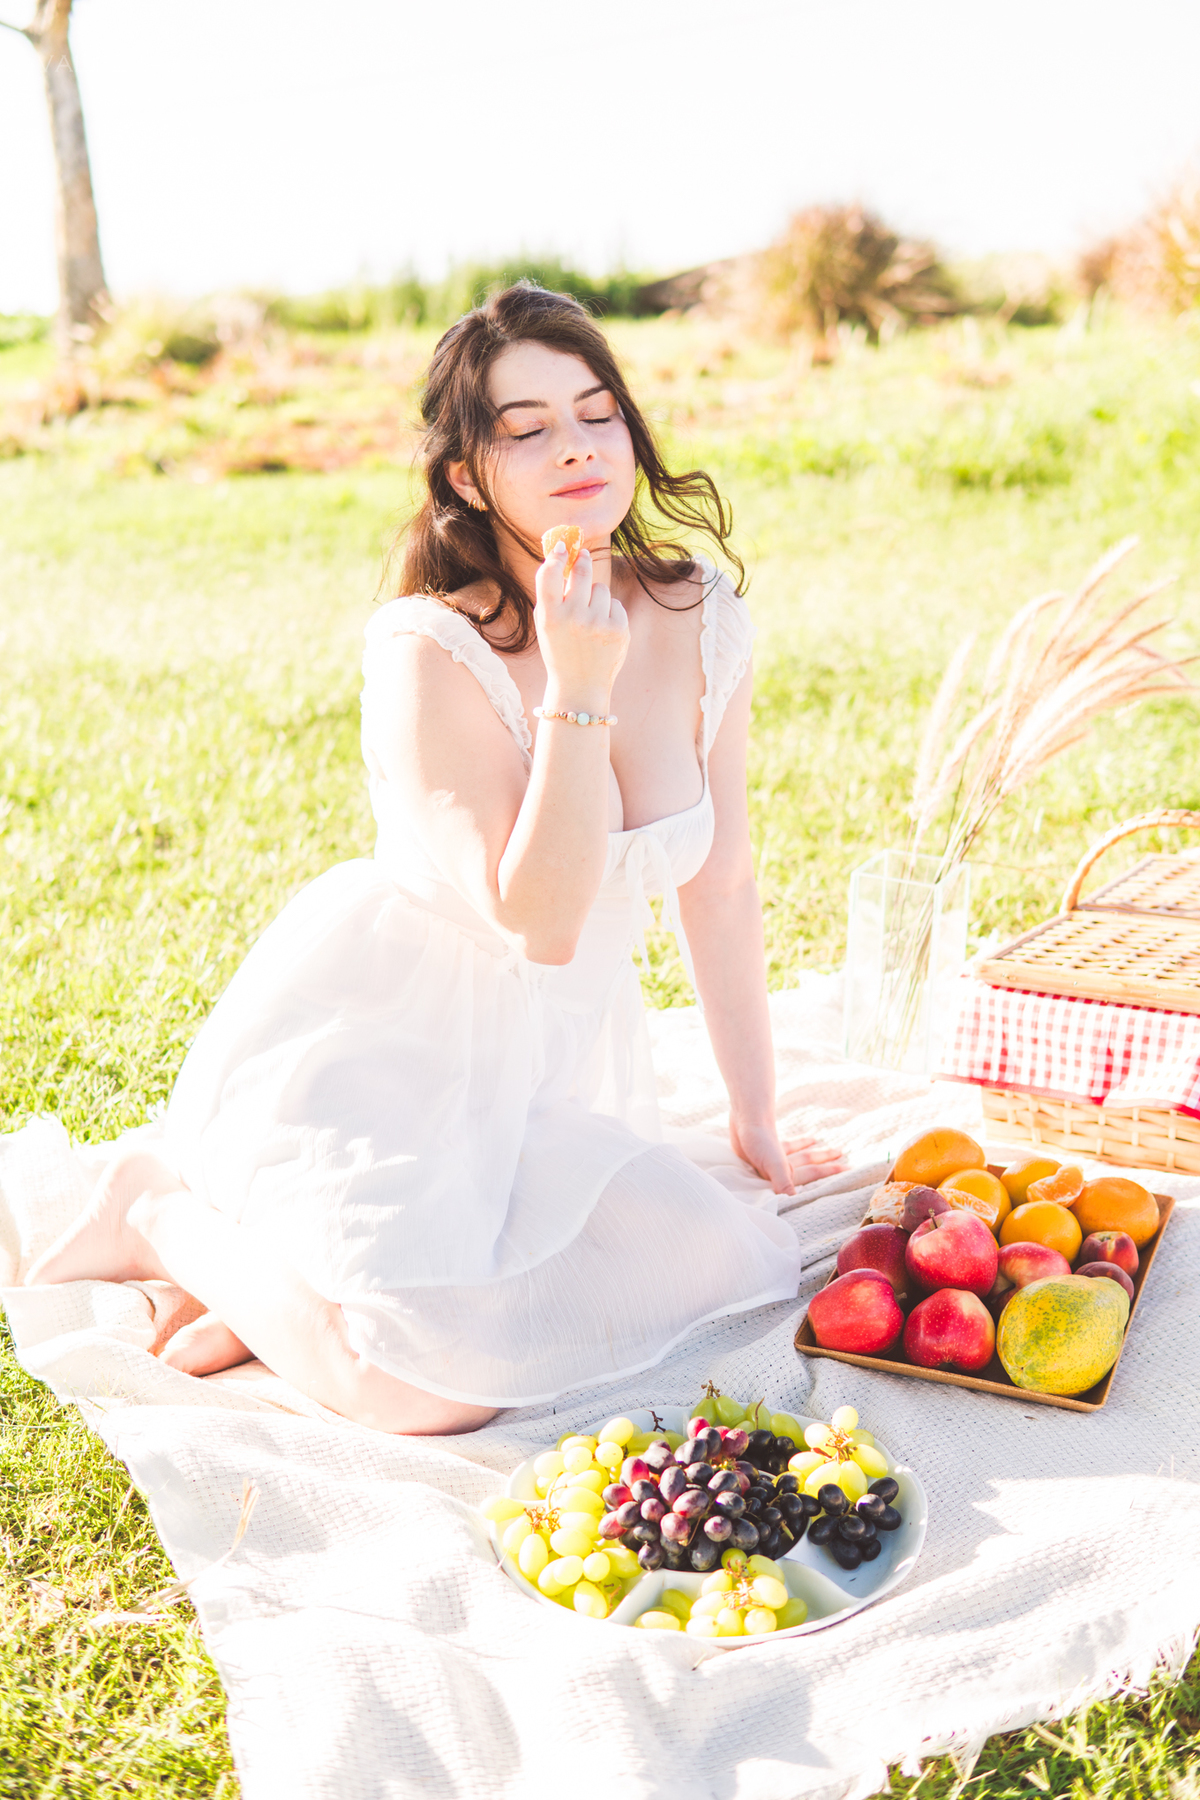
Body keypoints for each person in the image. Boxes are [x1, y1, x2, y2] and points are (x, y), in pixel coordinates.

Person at [27, 284, 842, 1433]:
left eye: (597, 413)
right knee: (419, 1385)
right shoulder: (427, 650)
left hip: (555, 1061)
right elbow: (541, 921)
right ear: (466, 473)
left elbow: (723, 880)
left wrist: (754, 1114)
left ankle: (274, 1298)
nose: (576, 448)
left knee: (729, 1272)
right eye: (527, 429)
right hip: (398, 1044)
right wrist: (577, 688)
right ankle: (158, 1211)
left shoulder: (697, 610)